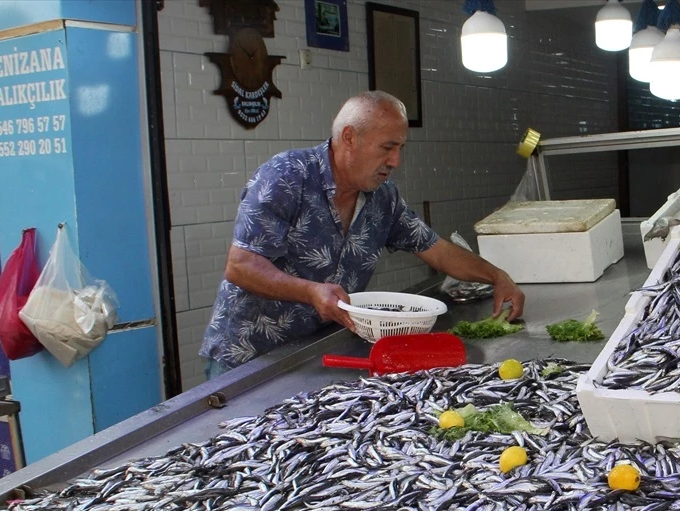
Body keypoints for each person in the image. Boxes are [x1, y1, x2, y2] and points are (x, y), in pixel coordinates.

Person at [200, 90, 525, 378]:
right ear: (349, 137)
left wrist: (497, 277)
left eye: (400, 148)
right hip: (248, 360)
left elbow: (437, 250)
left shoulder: (383, 198)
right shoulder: (286, 177)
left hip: (317, 351)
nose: (395, 161)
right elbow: (241, 266)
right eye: (387, 147)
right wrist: (312, 292)